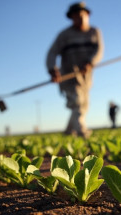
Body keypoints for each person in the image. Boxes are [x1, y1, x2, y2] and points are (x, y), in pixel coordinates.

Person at [46, 2, 104, 138]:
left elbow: (99, 50)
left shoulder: (94, 32)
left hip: (86, 77)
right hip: (68, 76)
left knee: (83, 104)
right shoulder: (64, 35)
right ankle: (81, 132)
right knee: (77, 102)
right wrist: (52, 69)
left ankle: (68, 131)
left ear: (88, 15)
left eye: (82, 15)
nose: (80, 18)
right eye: (76, 16)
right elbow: (52, 53)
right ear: (71, 18)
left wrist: (90, 62)